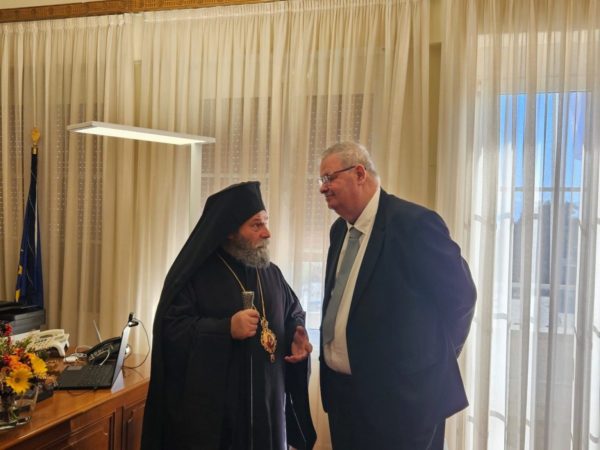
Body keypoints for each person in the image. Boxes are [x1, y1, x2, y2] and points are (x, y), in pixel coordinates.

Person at [318, 142, 477, 450]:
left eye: (329, 178)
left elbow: (462, 296)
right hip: (344, 400)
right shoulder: (339, 231)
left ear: (360, 173)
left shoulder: (413, 225)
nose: (323, 188)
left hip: (402, 404)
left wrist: (430, 361)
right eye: (321, 180)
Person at [141, 181, 316, 450]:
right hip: (219, 417)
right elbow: (172, 331)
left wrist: (296, 333)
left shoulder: (272, 273)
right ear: (230, 231)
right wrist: (225, 329)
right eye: (256, 225)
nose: (267, 232)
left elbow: (293, 310)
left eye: (266, 222)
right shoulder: (196, 276)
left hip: (268, 409)